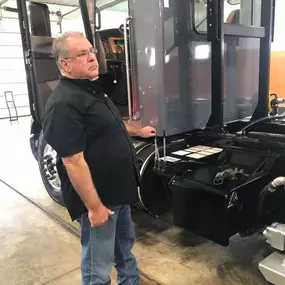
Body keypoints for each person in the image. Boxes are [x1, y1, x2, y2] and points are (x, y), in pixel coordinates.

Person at [42, 32, 159, 285]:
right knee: (98, 265)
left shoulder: (93, 90)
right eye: (82, 54)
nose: (92, 58)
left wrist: (138, 131)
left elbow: (112, 124)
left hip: (118, 192)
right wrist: (94, 208)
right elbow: (72, 161)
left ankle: (130, 281)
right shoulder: (64, 103)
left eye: (91, 51)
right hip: (100, 199)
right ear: (65, 64)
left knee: (124, 249)